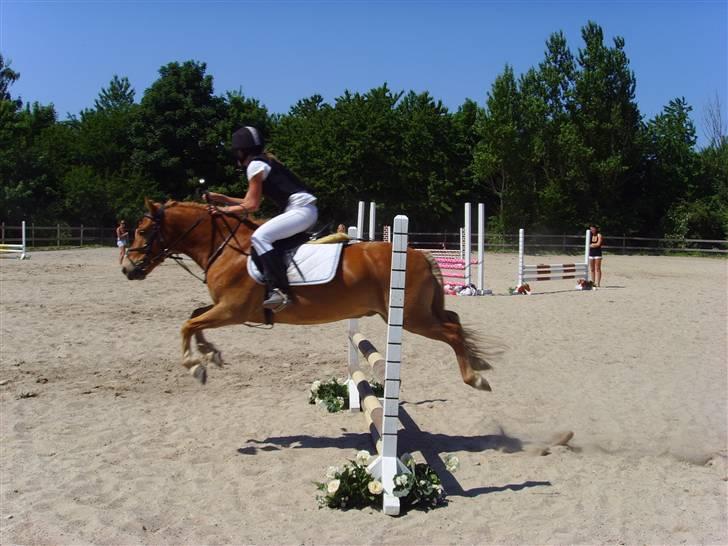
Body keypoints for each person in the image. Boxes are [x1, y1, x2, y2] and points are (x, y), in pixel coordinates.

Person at [204, 126, 318, 312]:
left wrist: (223, 211)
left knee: (260, 237)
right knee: (267, 238)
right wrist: (224, 199)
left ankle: (280, 290)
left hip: (300, 211)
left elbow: (251, 206)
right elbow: (249, 201)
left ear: (241, 151)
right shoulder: (263, 162)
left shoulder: (255, 166)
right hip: (303, 210)